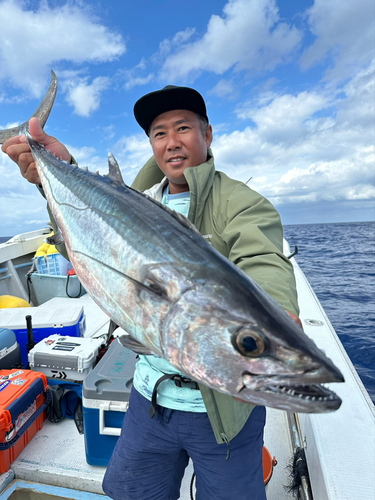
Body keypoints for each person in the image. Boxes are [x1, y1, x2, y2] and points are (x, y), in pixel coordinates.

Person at [2, 85, 301, 500]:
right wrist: (56, 169)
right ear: (151, 144)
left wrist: (277, 313)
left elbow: (263, 259)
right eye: (159, 133)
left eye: (183, 128)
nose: (172, 142)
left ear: (208, 134)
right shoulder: (137, 200)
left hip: (223, 412)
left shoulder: (243, 204)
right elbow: (84, 235)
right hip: (150, 395)